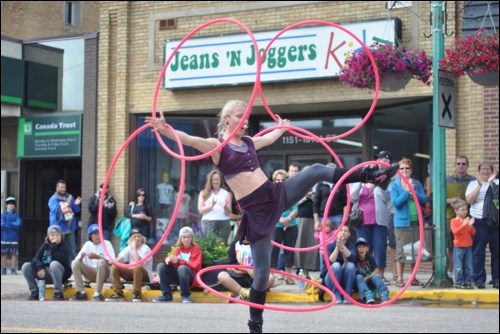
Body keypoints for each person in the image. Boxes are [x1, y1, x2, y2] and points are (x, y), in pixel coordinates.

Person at [146, 100, 398, 332]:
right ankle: (255, 322)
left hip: (274, 193)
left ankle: (372, 176)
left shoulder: (247, 142)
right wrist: (165, 128)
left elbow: (267, 140)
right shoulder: (217, 146)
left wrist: (281, 127)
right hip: (255, 211)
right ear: (226, 118)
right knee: (262, 274)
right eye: (239, 115)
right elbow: (187, 139)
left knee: (316, 170)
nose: (244, 119)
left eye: (246, 115)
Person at [390, 158, 428, 288]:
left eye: (407, 168)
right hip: (401, 223)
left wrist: (414, 192)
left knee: (414, 250)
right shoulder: (395, 185)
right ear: (398, 171)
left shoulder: (416, 184)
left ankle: (413, 277)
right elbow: (396, 203)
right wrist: (406, 192)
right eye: (402, 168)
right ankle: (400, 278)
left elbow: (424, 200)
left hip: (416, 221)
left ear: (411, 170)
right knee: (401, 251)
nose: (404, 171)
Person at [465, 162, 499, 289]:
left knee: (497, 252)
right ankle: (479, 279)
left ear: (492, 171)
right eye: (483, 169)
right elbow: (469, 201)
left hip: (495, 222)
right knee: (478, 252)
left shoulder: (497, 183)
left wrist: (492, 185)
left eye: (488, 169)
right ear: (479, 171)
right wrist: (479, 186)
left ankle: (497, 279)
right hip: (479, 221)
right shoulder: (473, 184)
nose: (485, 171)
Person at [445, 155, 475, 282]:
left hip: (466, 220)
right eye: (458, 164)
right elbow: (438, 199)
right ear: (454, 165)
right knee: (451, 248)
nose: (461, 166)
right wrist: (451, 200)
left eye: (463, 164)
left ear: (467, 166)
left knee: (467, 247)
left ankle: (467, 276)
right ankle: (451, 273)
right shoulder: (446, 180)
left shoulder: (472, 181)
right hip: (450, 218)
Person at [21, 225, 71, 300]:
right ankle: (34, 292)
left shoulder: (64, 246)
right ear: (48, 237)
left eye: (57, 235)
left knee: (54, 264)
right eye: (52, 235)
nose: (55, 237)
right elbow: (36, 258)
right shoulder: (45, 245)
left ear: (61, 236)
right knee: (26, 266)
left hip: (59, 275)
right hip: (45, 274)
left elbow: (61, 259)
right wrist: (39, 267)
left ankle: (58, 292)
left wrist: (54, 246)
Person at [154, 226, 203, 303]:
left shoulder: (196, 249)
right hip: (178, 277)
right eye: (184, 237)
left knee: (182, 268)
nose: (186, 239)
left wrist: (178, 261)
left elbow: (194, 266)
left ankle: (185, 296)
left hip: (190, 278)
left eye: (188, 237)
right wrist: (168, 260)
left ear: (192, 238)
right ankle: (166, 295)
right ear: (180, 238)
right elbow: (174, 265)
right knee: (161, 266)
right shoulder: (178, 249)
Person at [69, 224, 116, 301]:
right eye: (95, 234)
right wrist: (81, 257)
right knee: (74, 262)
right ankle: (81, 292)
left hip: (105, 273)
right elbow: (77, 261)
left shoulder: (107, 243)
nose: (98, 236)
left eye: (99, 233)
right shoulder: (87, 244)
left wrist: (97, 257)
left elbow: (111, 263)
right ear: (90, 236)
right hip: (91, 272)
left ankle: (98, 293)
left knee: (101, 262)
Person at [106, 228, 153, 302]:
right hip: (132, 273)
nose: (137, 238)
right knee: (115, 267)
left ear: (142, 239)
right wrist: (112, 262)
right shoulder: (128, 248)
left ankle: (137, 293)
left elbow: (138, 261)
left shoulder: (146, 248)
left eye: (139, 236)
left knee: (137, 266)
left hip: (144, 275)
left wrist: (134, 248)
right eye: (134, 237)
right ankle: (118, 293)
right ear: (131, 239)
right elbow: (119, 259)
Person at [270, 169, 298, 285]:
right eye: (278, 180)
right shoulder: (270, 193)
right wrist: (280, 219)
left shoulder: (291, 192)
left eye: (282, 180)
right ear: (274, 181)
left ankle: (289, 276)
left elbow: (295, 209)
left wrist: (288, 219)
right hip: (276, 225)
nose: (280, 181)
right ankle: (270, 276)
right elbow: (269, 210)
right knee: (273, 251)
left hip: (291, 225)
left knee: (289, 251)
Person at [293, 165, 320, 279]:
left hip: (313, 218)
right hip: (301, 217)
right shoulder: (298, 184)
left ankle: (307, 271)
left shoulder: (317, 184)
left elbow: (319, 199)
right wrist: (305, 196)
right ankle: (298, 269)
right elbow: (293, 201)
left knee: (311, 245)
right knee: (299, 244)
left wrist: (312, 196)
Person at [48, 179, 81, 261]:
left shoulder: (70, 197)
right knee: (59, 249)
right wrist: (67, 204)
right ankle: (58, 267)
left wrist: (76, 204)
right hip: (59, 229)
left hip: (70, 229)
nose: (63, 189)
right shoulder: (53, 199)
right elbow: (56, 211)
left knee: (72, 249)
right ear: (57, 188)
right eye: (61, 187)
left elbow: (76, 210)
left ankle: (72, 267)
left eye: (64, 187)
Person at [323, 224, 357, 304]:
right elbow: (330, 261)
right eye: (341, 230)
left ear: (349, 234)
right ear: (337, 232)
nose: (343, 232)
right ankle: (336, 295)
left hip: (344, 279)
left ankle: (347, 295)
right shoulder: (330, 246)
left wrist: (342, 246)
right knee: (336, 265)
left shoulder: (351, 246)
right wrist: (338, 246)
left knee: (351, 266)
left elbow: (353, 258)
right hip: (331, 279)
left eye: (345, 231)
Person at [198, 169, 232, 244]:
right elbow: (201, 210)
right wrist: (211, 206)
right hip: (208, 222)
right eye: (213, 180)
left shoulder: (226, 193)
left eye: (217, 179)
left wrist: (225, 207)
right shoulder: (204, 193)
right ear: (210, 181)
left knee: (222, 246)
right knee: (209, 245)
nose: (215, 182)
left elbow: (228, 213)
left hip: (223, 222)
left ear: (221, 181)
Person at [354, 237, 390, 304]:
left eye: (363, 247)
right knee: (359, 277)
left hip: (369, 281)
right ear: (356, 249)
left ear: (367, 249)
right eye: (359, 247)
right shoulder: (354, 258)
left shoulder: (370, 257)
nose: (361, 249)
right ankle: (368, 296)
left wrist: (368, 277)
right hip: (359, 284)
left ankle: (383, 294)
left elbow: (376, 270)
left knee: (376, 276)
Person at [449, 199, 475, 289]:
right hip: (459, 247)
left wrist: (470, 225)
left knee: (468, 266)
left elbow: (473, 232)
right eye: (462, 209)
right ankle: (459, 282)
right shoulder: (453, 221)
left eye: (466, 209)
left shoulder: (466, 221)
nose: (465, 211)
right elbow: (455, 232)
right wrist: (463, 225)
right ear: (456, 211)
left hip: (468, 246)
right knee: (458, 266)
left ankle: (467, 282)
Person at [1, 196, 22, 275]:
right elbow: (2, 224)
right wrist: (13, 225)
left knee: (14, 254)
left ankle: (13, 269)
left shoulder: (16, 215)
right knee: (3, 254)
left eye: (13, 204)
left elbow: (19, 223)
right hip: (4, 237)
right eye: (9, 204)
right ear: (6, 205)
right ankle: (3, 268)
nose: (11, 205)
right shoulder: (3, 215)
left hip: (14, 237)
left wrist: (9, 224)